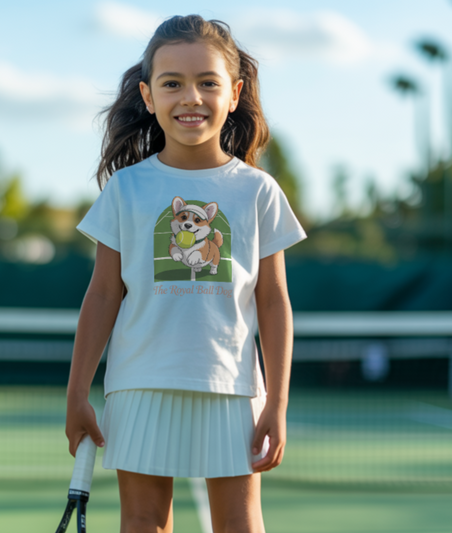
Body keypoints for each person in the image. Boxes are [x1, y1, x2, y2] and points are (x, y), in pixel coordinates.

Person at [66, 14, 306, 533]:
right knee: (143, 522)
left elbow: (273, 301)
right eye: (172, 83)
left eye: (208, 83)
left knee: (240, 524)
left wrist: (278, 404)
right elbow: (104, 294)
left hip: (236, 388)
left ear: (235, 93)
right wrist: (77, 392)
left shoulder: (259, 191)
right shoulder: (126, 189)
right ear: (148, 96)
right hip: (139, 384)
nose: (190, 97)